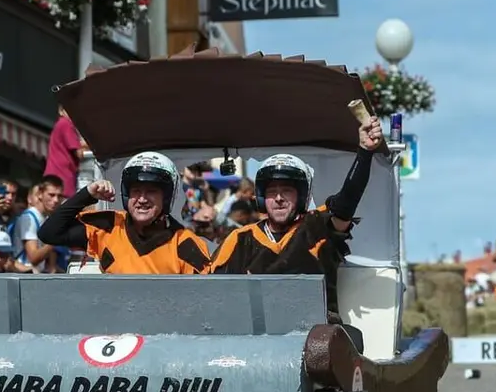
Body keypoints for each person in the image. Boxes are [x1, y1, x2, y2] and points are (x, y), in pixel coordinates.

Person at [206, 114, 385, 321]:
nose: (279, 198)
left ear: (301, 196)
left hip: (319, 337)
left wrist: (365, 151)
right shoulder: (240, 239)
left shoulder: (318, 226)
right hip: (256, 339)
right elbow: (213, 294)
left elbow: (347, 201)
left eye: (287, 191)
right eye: (272, 191)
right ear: (263, 197)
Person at [37, 151, 211, 274]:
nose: (142, 199)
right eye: (136, 191)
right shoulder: (108, 226)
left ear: (166, 197)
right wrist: (86, 195)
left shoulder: (185, 243)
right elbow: (49, 233)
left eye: (151, 191)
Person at [14, 175, 66, 272]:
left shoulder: (46, 218)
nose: (56, 200)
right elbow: (33, 258)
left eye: (59, 196)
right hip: (24, 276)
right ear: (40, 194)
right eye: (51, 195)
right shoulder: (28, 218)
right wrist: (55, 239)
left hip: (37, 275)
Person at [44, 106, 82, 198]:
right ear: (61, 111)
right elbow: (79, 153)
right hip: (62, 177)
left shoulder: (60, 124)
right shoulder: (66, 123)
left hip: (55, 175)